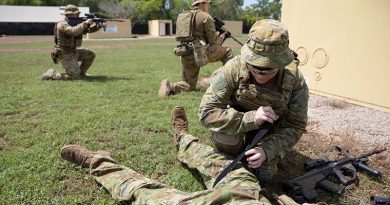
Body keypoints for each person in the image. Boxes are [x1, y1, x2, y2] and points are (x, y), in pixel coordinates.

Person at [60, 106, 313, 205]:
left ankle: (96, 161)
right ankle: (183, 139)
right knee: (220, 162)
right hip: (248, 194)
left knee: (143, 193)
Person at [198, 19, 309, 182]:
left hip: (270, 131)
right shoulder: (233, 68)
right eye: (255, 65)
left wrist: (268, 150)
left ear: (282, 62)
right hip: (238, 122)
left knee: (266, 172)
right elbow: (206, 113)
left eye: (269, 67)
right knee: (226, 140)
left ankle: (256, 155)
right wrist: (250, 119)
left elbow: (295, 125)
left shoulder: (294, 80)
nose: (260, 72)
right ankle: (234, 154)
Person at [158, 0, 234, 96]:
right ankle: (229, 82)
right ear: (202, 3)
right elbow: (214, 43)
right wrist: (223, 36)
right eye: (207, 4)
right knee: (227, 52)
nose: (208, 6)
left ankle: (171, 86)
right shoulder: (206, 17)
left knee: (189, 86)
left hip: (185, 52)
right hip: (200, 53)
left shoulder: (183, 16)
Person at [40, 4, 106, 80]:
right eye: (76, 13)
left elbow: (89, 30)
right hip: (64, 52)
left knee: (90, 55)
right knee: (73, 76)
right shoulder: (62, 24)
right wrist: (85, 23)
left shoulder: (78, 24)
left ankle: (81, 74)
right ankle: (52, 74)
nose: (78, 15)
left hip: (73, 50)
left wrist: (100, 25)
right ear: (69, 14)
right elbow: (72, 31)